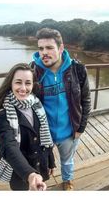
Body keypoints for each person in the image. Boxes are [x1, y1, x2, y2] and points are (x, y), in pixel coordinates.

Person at [31, 28, 91, 190]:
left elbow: (85, 100)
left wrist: (81, 127)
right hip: (43, 133)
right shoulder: (33, 71)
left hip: (69, 131)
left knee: (67, 160)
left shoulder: (77, 70)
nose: (44, 52)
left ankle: (67, 180)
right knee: (41, 163)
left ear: (61, 48)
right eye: (41, 48)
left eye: (49, 48)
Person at [0, 63, 56, 191]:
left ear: (33, 84)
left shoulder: (36, 104)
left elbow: (45, 137)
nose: (23, 88)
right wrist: (30, 175)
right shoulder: (3, 114)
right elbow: (9, 147)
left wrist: (51, 161)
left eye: (28, 83)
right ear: (11, 83)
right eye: (18, 82)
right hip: (21, 173)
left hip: (40, 165)